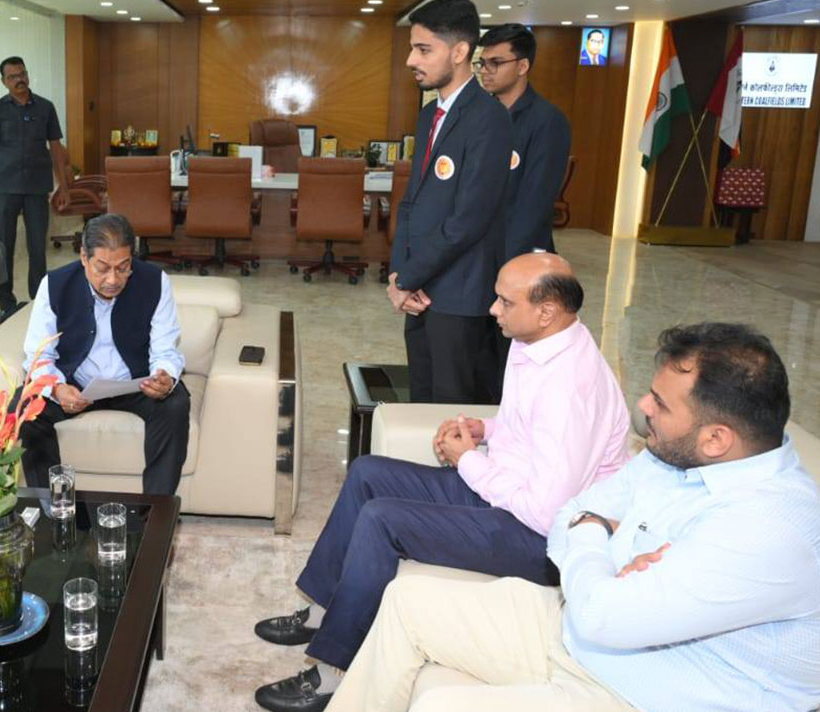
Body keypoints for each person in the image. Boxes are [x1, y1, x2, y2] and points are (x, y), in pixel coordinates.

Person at [330, 322, 820, 712]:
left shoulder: (767, 528)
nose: (642, 407)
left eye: (660, 403)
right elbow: (572, 513)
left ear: (717, 438)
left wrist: (595, 536)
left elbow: (602, 611)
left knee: (442, 706)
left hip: (648, 693)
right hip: (577, 631)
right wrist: (609, 549)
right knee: (408, 600)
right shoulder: (675, 454)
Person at [252, 253, 630, 712]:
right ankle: (321, 610)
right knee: (368, 473)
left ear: (546, 311)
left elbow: (545, 512)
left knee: (383, 519)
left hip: (541, 538)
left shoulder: (571, 386)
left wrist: (467, 461)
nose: (492, 309)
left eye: (505, 302)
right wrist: (486, 430)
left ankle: (334, 672)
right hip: (506, 494)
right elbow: (528, 430)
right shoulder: (535, 341)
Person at [386, 0, 513, 404]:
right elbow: (411, 203)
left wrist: (408, 278)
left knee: (453, 409)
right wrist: (399, 275)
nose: (411, 60)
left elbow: (467, 220)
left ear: (459, 52)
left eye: (423, 49)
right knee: (421, 400)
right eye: (413, 48)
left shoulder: (489, 119)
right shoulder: (430, 116)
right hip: (419, 290)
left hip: (460, 295)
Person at [17, 213, 190, 495]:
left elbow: (165, 348)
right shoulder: (55, 285)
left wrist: (165, 376)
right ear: (84, 257)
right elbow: (38, 354)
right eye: (103, 268)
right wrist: (58, 388)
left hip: (136, 385)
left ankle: (155, 511)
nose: (113, 279)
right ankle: (53, 508)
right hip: (75, 385)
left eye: (123, 268)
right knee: (26, 405)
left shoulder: (155, 281)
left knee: (175, 403)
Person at [0, 56, 71, 331]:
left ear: (28, 75)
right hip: (4, 188)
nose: (19, 80)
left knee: (37, 249)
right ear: (4, 81)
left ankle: (38, 304)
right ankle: (6, 305)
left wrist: (63, 186)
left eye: (22, 74)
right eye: (12, 77)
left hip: (36, 188)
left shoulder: (45, 107)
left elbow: (56, 149)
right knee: (4, 249)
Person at [476, 24, 571, 259]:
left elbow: (534, 204)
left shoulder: (547, 121)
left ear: (522, 66)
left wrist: (504, 263)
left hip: (519, 255)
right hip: (476, 251)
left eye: (496, 63)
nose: (485, 71)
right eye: (482, 63)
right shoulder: (479, 115)